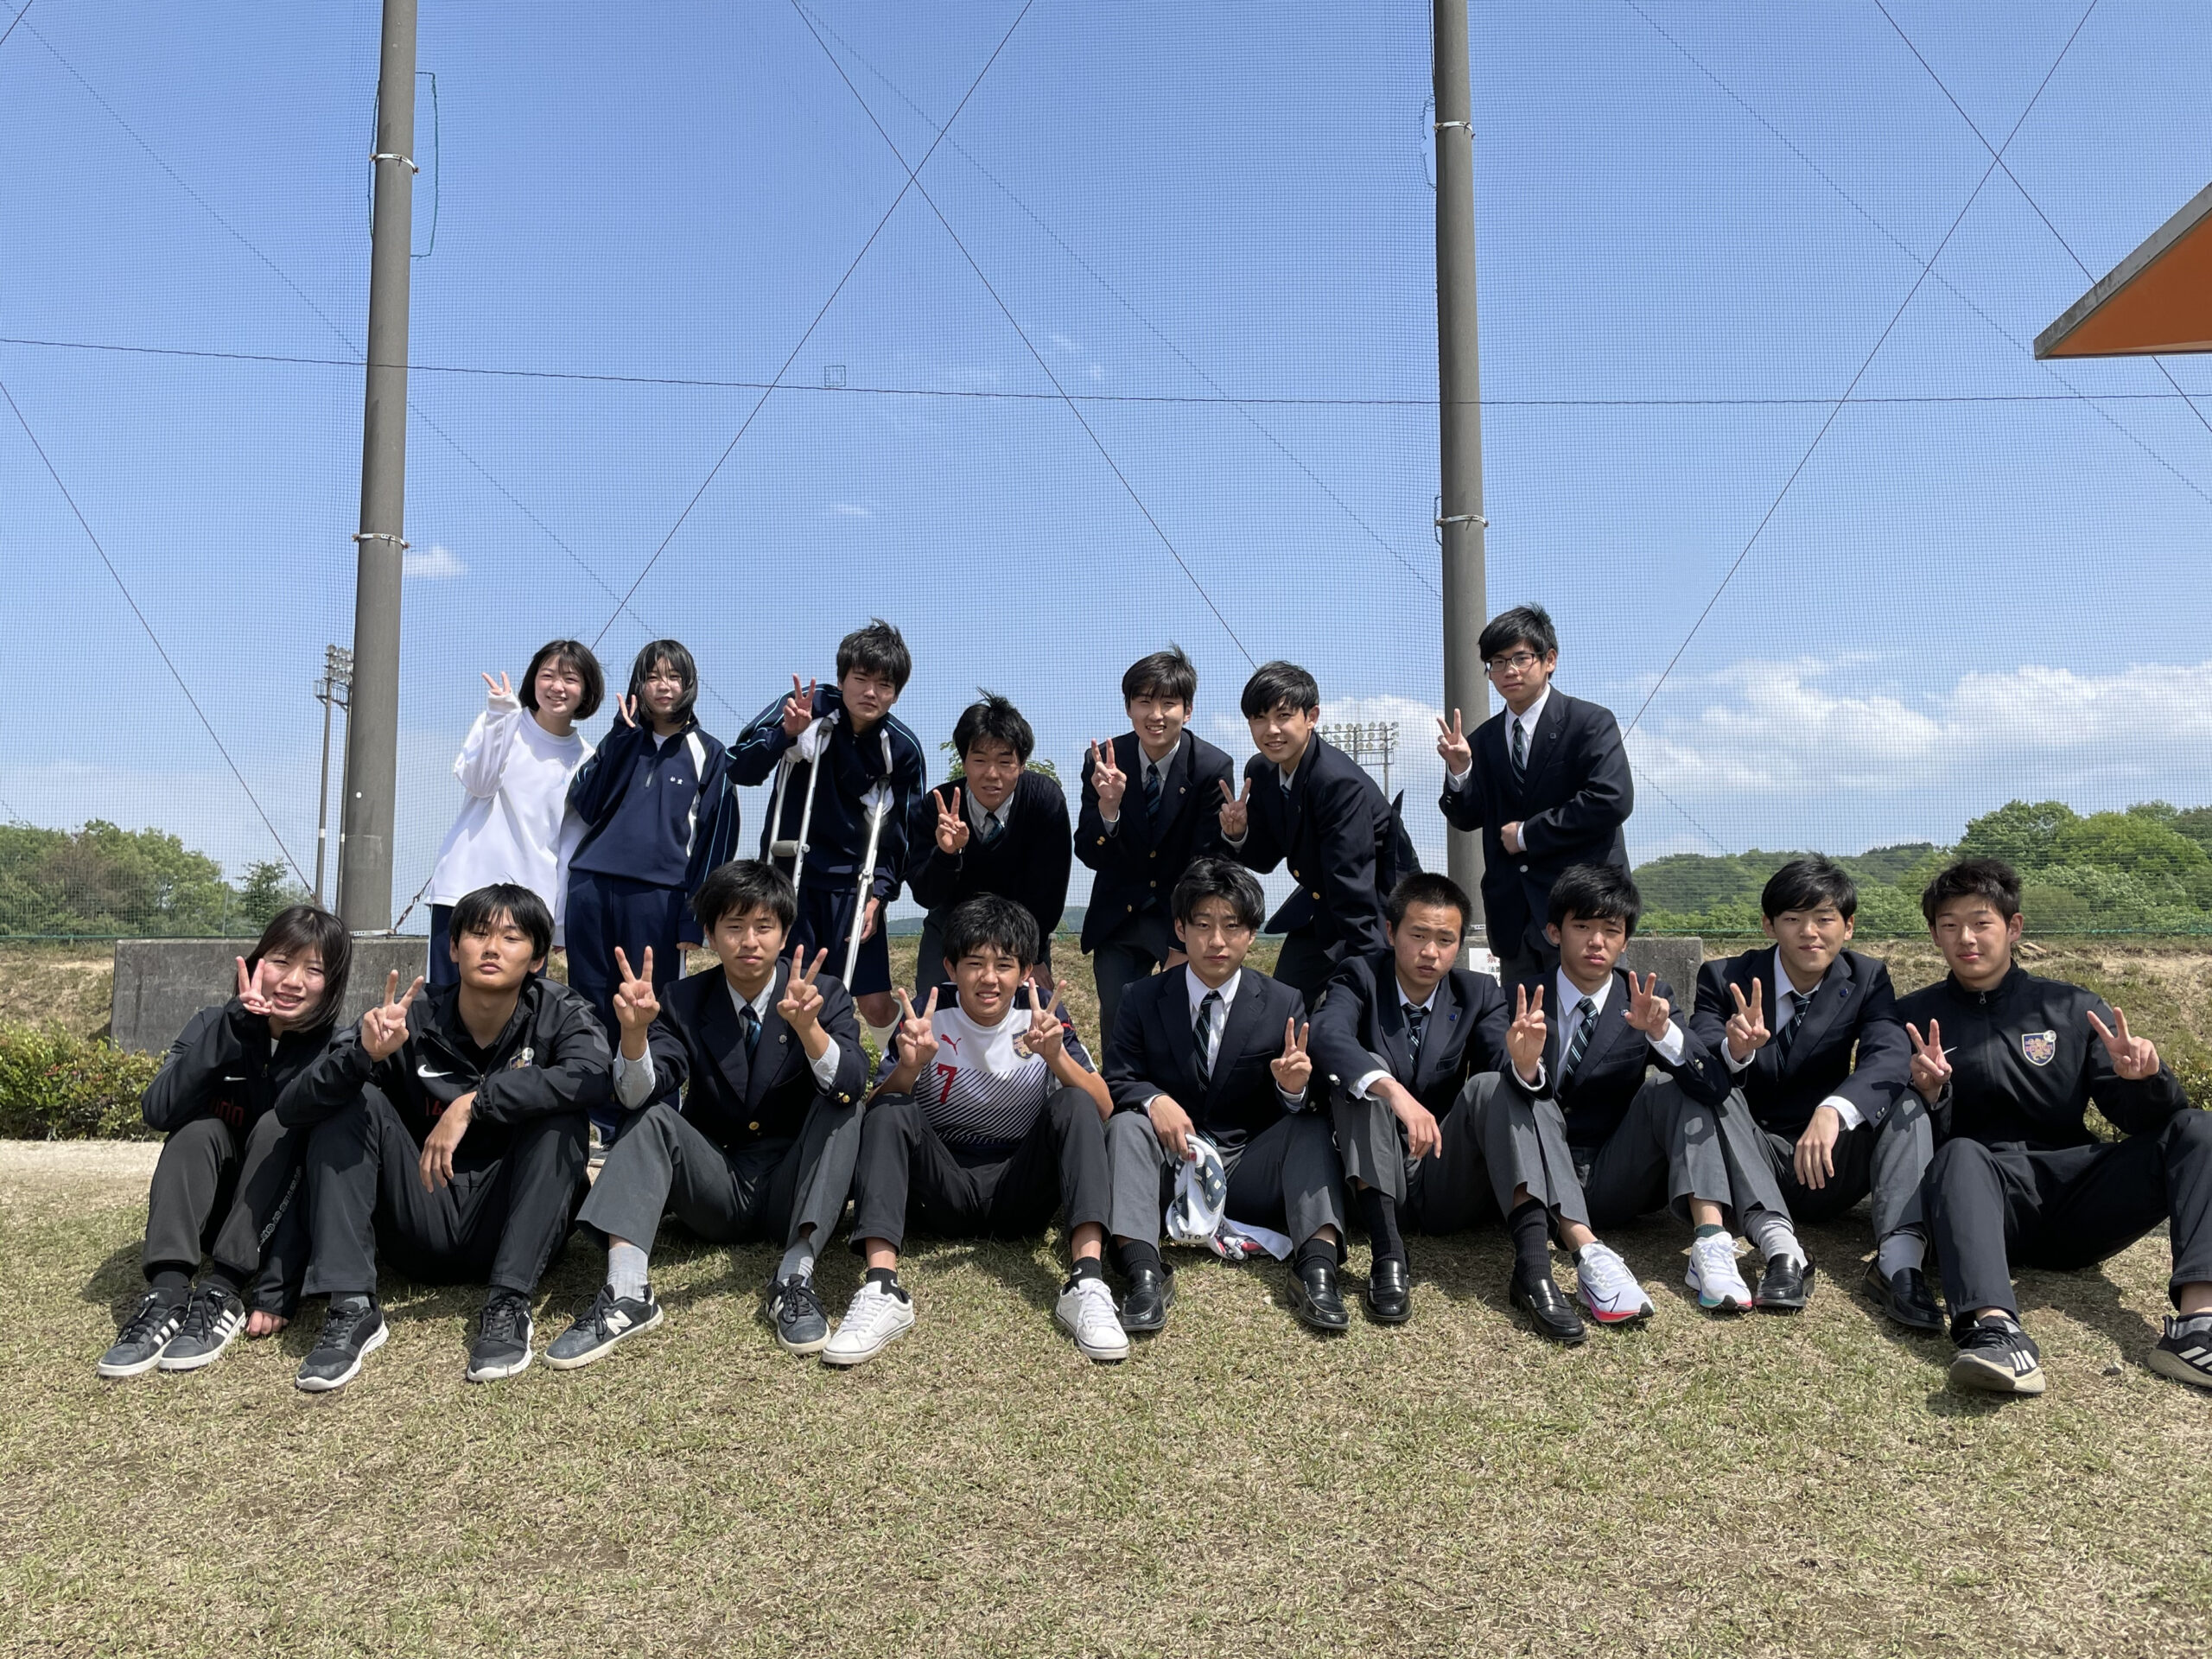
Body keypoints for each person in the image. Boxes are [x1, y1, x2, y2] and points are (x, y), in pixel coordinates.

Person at [1899, 857, 2212, 1396]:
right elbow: (1903, 1137)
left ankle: (2198, 1326)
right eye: (1949, 926)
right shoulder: (1911, 1016)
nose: (1965, 938)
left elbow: (2141, 1119)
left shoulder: (2069, 1007)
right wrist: (1929, 1094)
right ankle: (1995, 1331)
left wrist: (2145, 1080)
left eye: (1981, 923)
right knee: (1962, 1152)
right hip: (1983, 1204)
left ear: (2013, 928)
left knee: (2198, 1129)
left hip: (2077, 1199)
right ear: (1934, 935)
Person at [278, 884, 611, 1391]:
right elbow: (293, 1107)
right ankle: (351, 1305)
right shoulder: (410, 1016)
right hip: (420, 1213)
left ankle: (508, 1305)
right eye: (477, 934)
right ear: (453, 949)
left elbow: (592, 1074)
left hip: (510, 1220)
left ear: (539, 959)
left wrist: (475, 1103)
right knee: (351, 1101)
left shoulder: (558, 1012)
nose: (492, 948)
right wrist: (361, 1056)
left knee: (559, 1119)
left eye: (512, 938)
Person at [547, 861, 869, 1368]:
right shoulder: (682, 1000)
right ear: (710, 935)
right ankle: (628, 1293)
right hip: (717, 1184)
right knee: (649, 1117)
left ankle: (794, 1279)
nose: (749, 941)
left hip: (796, 1184)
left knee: (845, 1107)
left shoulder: (822, 994)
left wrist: (811, 1031)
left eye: (764, 927)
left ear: (785, 933)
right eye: (734, 927)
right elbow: (637, 1097)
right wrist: (633, 1034)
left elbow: (853, 1082)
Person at [823, 895, 1126, 1368]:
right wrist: (907, 1069)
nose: (989, 978)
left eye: (1005, 964)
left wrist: (1056, 1056)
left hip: (1020, 1187)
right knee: (891, 1109)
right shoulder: (929, 1010)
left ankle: (1087, 1281)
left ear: (1026, 970)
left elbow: (1104, 1107)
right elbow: (875, 1111)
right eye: (974, 963)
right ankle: (882, 1289)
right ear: (950, 966)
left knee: (1074, 1100)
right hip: (940, 1188)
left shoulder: (1042, 1011)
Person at [1477, 864, 1751, 1341]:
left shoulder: (1648, 996)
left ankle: (1710, 1242)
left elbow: (1713, 1088)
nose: (1596, 942)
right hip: (1539, 1176)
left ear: (1626, 940)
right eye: (1582, 926)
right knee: (1523, 1085)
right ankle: (1588, 1254)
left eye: (1611, 930)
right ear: (1553, 931)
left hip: (1614, 1172)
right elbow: (1496, 1099)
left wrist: (1663, 1034)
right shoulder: (1517, 996)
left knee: (1672, 1089)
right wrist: (1524, 1065)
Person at [98, 906, 353, 1379]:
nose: (293, 980)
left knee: (281, 1124)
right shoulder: (211, 1024)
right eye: (280, 961)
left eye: (313, 969)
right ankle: (168, 1291)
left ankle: (222, 1291)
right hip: (213, 1218)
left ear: (332, 984)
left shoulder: (335, 1051)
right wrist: (228, 1033)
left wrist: (275, 1286)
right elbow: (158, 1110)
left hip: (276, 1226)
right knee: (199, 1130)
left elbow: (323, 1170)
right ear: (255, 963)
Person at [1103, 857, 1350, 1334]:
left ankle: (1317, 1269)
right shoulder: (1141, 996)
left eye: (1232, 926)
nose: (1217, 941)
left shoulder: (1284, 1001)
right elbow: (1118, 1076)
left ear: (1252, 933)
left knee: (1309, 1127)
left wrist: (1292, 1088)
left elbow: (1299, 1100)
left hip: (1246, 1165)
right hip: (1168, 1166)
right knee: (1128, 1124)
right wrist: (1155, 1100)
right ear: (1180, 927)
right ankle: (1143, 1272)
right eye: (1202, 925)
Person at [1691, 855, 1926, 1321]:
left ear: (1849, 926)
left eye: (1824, 919)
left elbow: (1889, 1053)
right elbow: (1699, 1049)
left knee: (1910, 1099)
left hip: (1830, 1159)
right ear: (1769, 925)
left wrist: (1835, 1110)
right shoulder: (1723, 977)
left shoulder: (1866, 978)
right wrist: (1735, 1050)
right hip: (1750, 1158)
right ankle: (1783, 1251)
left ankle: (1899, 1262)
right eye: (1793, 919)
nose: (1809, 932)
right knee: (1702, 1091)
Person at [1307, 871, 1537, 1324]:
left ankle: (1532, 1266)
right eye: (1418, 935)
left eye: (1445, 940)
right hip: (1368, 1173)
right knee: (1363, 1076)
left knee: (1490, 1085)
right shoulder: (1359, 975)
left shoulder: (1479, 992)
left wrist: (1524, 1063)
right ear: (1391, 933)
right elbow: (1328, 1035)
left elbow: (1495, 1065)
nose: (1430, 952)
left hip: (1441, 1171)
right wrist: (1391, 1089)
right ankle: (1388, 1254)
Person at [724, 620, 927, 1057]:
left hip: (855, 885)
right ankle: (782, 1076)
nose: (870, 692)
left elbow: (904, 833)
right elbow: (738, 767)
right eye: (860, 679)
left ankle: (902, 1070)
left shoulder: (902, 746)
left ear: (897, 692)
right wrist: (786, 735)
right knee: (790, 989)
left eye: (884, 684)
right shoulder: (805, 705)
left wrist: (881, 895)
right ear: (841, 679)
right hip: (789, 877)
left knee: (872, 1002)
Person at [563, 639, 728, 1120]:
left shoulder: (709, 753)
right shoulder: (619, 741)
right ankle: (595, 1116)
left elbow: (714, 843)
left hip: (659, 897)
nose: (664, 685)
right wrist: (619, 737)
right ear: (638, 683)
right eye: (653, 676)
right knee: (589, 1001)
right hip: (591, 887)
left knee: (649, 1004)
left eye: (674, 676)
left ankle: (650, 1113)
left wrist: (693, 919)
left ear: (688, 684)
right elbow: (586, 803)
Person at [1435, 603, 1632, 982]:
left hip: (1583, 910)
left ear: (1550, 659)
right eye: (1497, 661)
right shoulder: (1483, 740)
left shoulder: (1589, 723)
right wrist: (1460, 770)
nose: (1509, 670)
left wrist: (1527, 835)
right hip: (1515, 919)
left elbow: (1612, 799)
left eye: (1521, 658)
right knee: (1521, 1031)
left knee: (1593, 1025)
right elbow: (1467, 817)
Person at [1218, 660, 1415, 1002]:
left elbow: (1352, 883)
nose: (1271, 730)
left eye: (1283, 716)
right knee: (1284, 1004)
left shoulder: (1336, 782)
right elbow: (1265, 859)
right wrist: (1239, 832)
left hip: (1376, 910)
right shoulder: (1262, 770)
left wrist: (1373, 969)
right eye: (1259, 718)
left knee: (1364, 1009)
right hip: (1321, 906)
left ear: (1311, 717)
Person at [1075, 645, 1234, 1038]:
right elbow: (1088, 852)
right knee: (1118, 1018)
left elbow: (1207, 863)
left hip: (1179, 912)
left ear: (1188, 710)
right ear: (1129, 707)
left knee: (1182, 1017)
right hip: (1119, 914)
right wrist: (1108, 809)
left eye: (1169, 703)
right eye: (1144, 701)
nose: (1156, 715)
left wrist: (1184, 933)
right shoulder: (1103, 762)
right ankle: (1121, 1098)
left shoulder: (1212, 767)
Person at [424, 640, 602, 988]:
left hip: (530, 902)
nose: (556, 686)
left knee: (522, 1013)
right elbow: (479, 783)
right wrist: (500, 718)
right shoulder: (501, 720)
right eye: (547, 675)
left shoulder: (587, 759)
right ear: (533, 680)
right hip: (462, 888)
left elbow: (571, 847)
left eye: (570, 679)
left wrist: (560, 923)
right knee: (442, 1005)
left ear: (587, 690)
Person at [906, 693, 1071, 998]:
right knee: (933, 1009)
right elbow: (925, 895)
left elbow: (1049, 891)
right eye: (979, 760)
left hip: (1022, 926)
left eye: (1005, 761)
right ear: (964, 761)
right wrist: (947, 853)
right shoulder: (937, 808)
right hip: (952, 925)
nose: (992, 774)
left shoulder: (1044, 801)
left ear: (1021, 764)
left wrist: (1033, 956)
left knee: (1029, 1015)